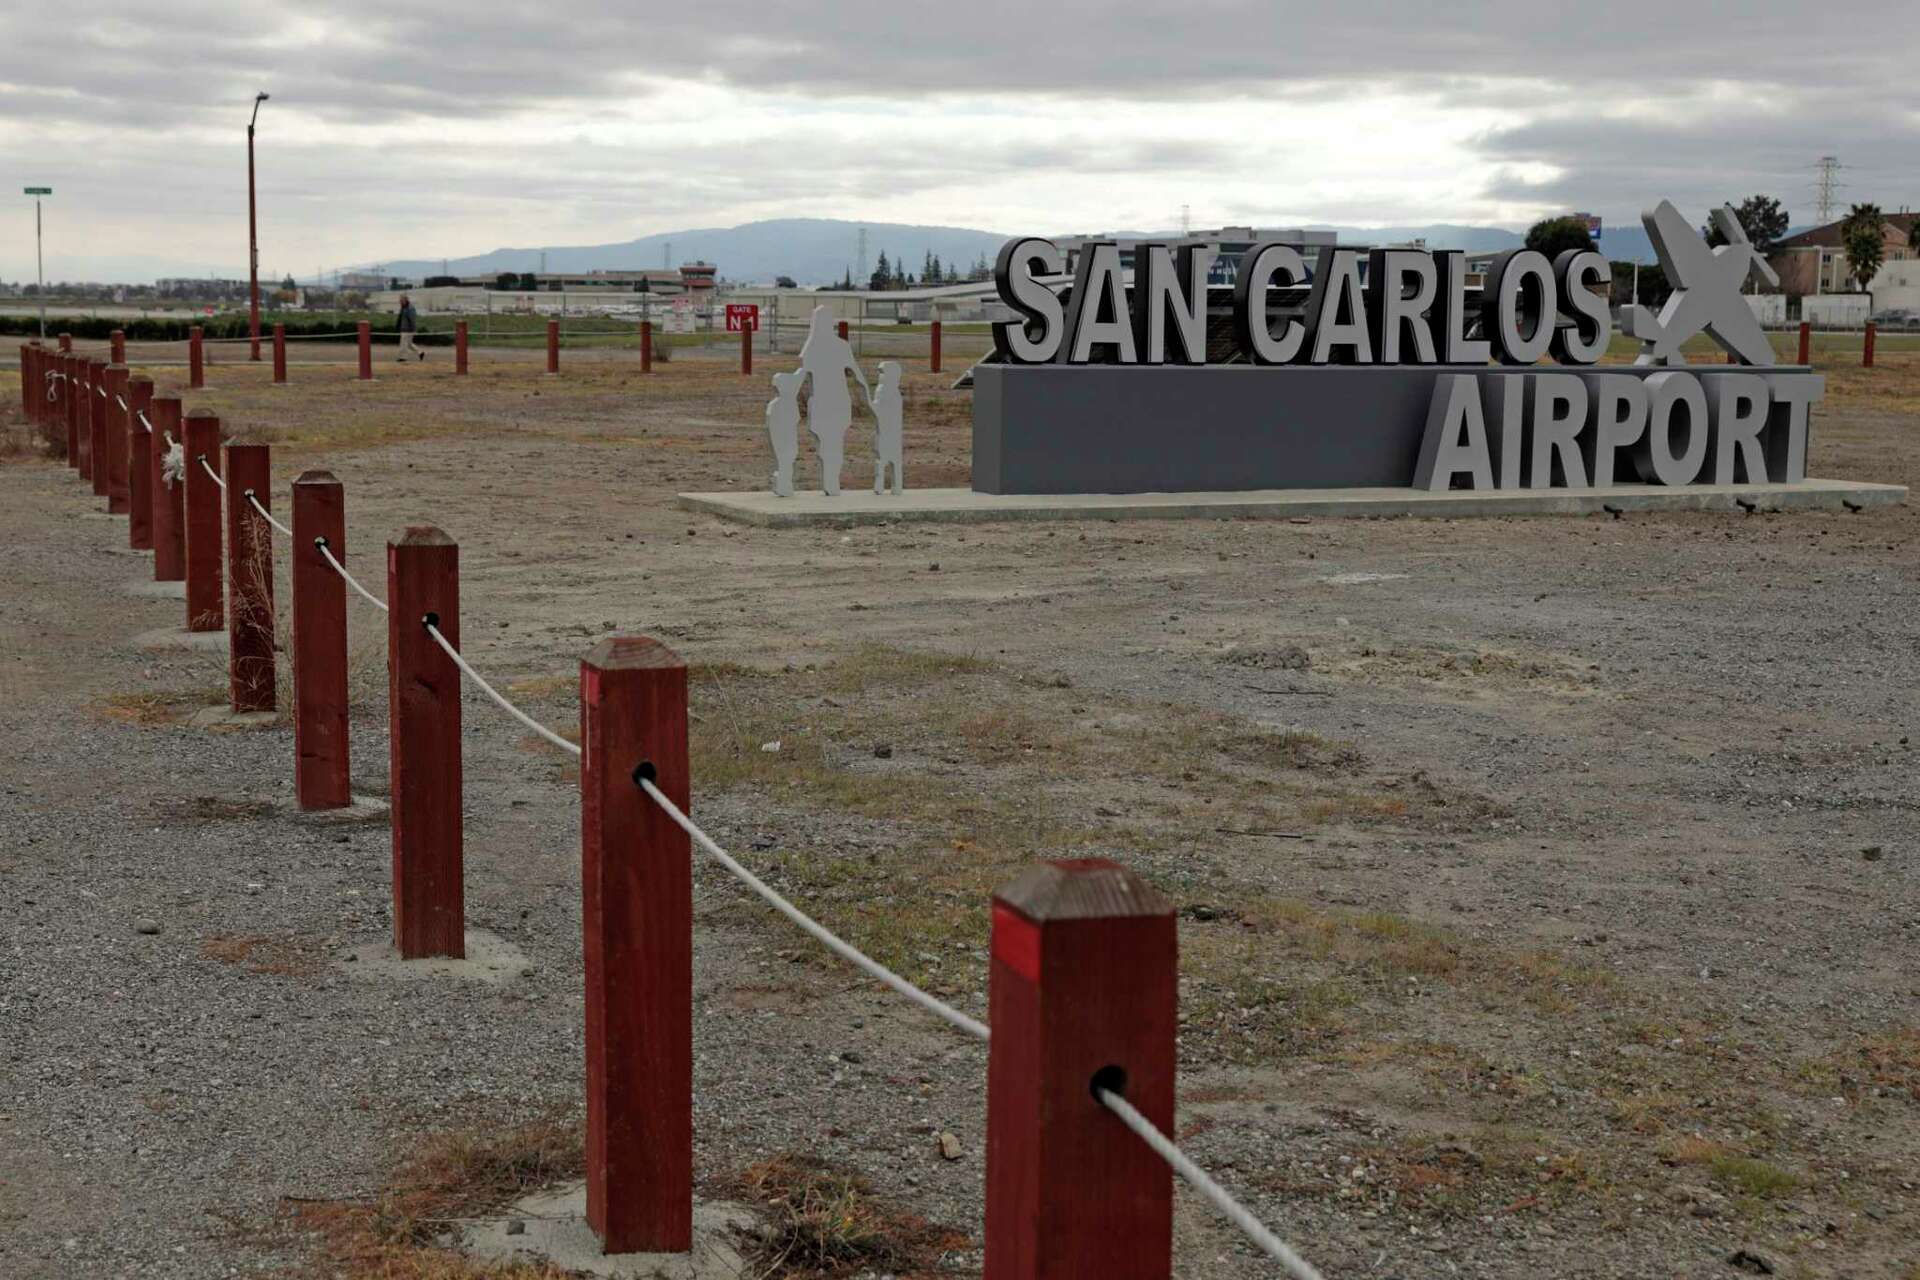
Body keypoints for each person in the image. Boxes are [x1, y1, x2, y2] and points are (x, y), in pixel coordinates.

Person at [796, 306, 868, 496]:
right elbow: (858, 375)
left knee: (833, 443)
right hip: (827, 400)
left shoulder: (824, 346)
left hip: (833, 400)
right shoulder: (821, 346)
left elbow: (857, 374)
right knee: (830, 442)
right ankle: (830, 480)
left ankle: (832, 481)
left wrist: (869, 397)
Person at [765, 370, 802, 497]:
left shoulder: (787, 402)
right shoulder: (781, 404)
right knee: (785, 462)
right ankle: (783, 487)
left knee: (788, 461)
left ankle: (785, 486)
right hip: (783, 439)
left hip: (787, 437)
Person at [869, 361, 904, 495]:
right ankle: (889, 486)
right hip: (888, 433)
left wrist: (869, 402)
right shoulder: (889, 391)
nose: (880, 376)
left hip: (888, 433)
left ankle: (889, 486)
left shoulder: (885, 391)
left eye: (882, 373)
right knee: (886, 461)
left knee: (885, 460)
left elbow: (879, 410)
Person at [396, 294, 425, 362]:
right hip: (404, 328)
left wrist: (414, 329)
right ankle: (420, 352)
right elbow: (400, 318)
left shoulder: (410, 308)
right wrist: (398, 326)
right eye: (400, 300)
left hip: (408, 329)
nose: (400, 301)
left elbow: (412, 319)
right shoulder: (403, 307)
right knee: (409, 344)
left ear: (405, 300)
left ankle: (403, 357)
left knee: (403, 344)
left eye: (401, 300)